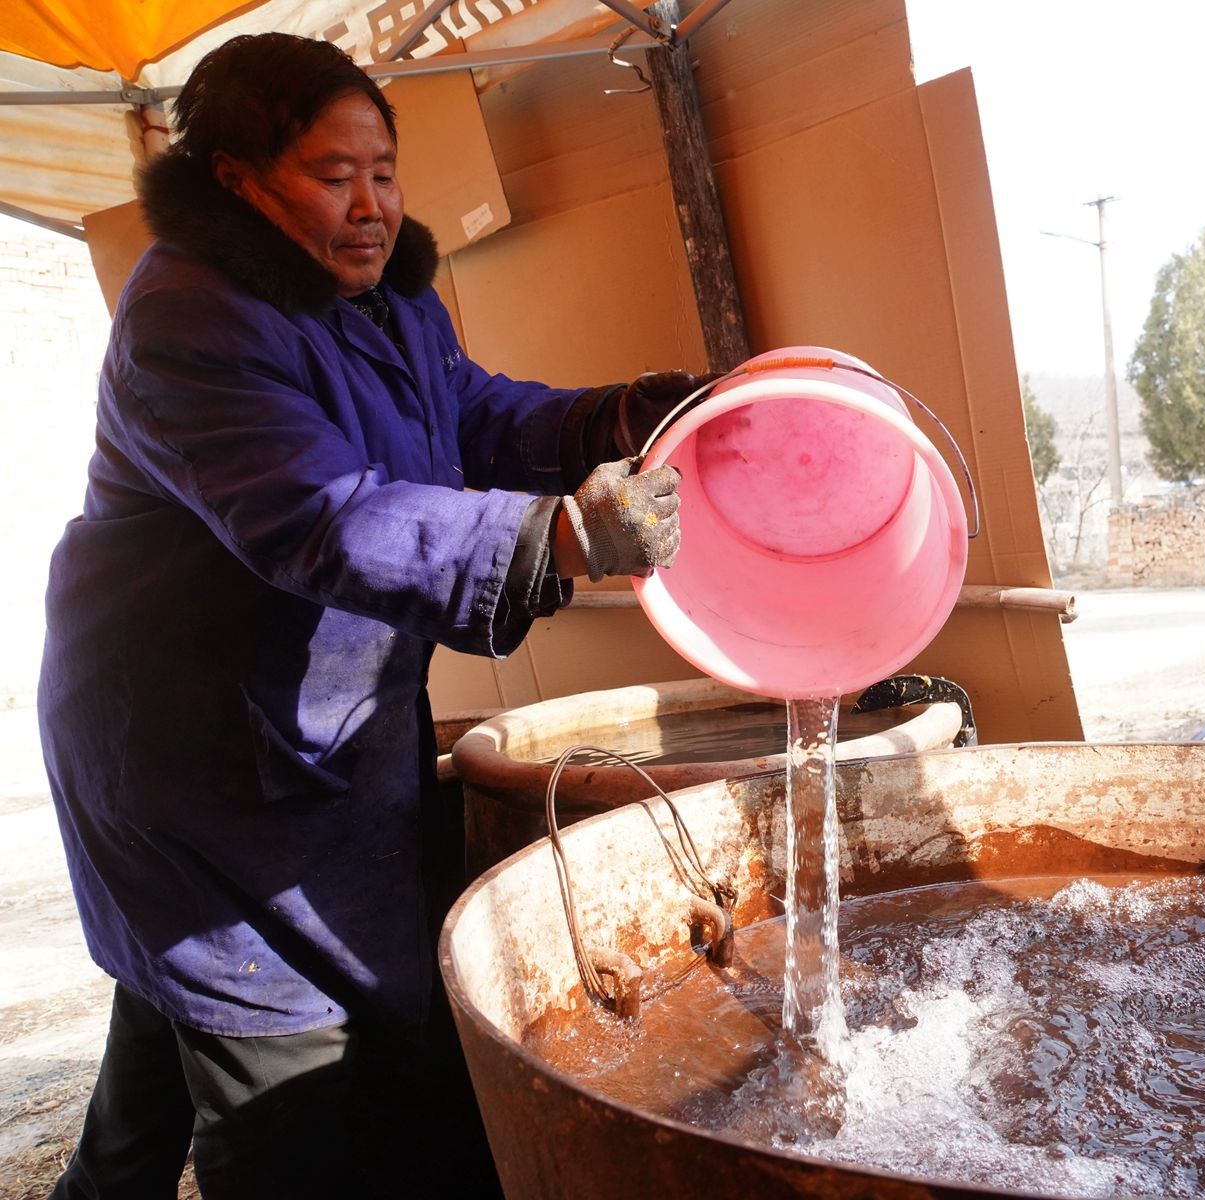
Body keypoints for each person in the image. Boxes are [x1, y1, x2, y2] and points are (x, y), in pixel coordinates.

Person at [39, 32, 709, 1199]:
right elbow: (319, 519)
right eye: (331, 174)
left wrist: (618, 416)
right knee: (294, 1079)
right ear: (236, 178)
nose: (371, 206)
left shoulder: (388, 300)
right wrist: (555, 539)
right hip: (194, 760)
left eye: (385, 172)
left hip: (313, 737)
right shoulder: (187, 318)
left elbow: (474, 413)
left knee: (173, 1005)